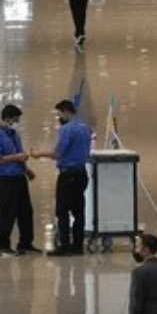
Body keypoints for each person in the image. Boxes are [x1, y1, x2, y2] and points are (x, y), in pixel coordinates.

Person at [31, 100, 93, 256]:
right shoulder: (85, 128)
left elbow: (58, 153)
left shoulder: (67, 129)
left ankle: (64, 246)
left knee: (62, 211)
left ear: (66, 112)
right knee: (79, 211)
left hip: (68, 175)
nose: (59, 118)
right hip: (81, 174)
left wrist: (39, 154)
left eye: (59, 114)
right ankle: (77, 246)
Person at [0, 104, 38, 257]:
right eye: (15, 120)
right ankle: (2, 246)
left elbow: (19, 154)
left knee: (26, 212)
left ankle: (25, 243)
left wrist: (26, 170)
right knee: (7, 214)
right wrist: (16, 157)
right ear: (7, 119)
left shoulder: (14, 135)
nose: (17, 123)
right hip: (6, 181)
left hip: (19, 179)